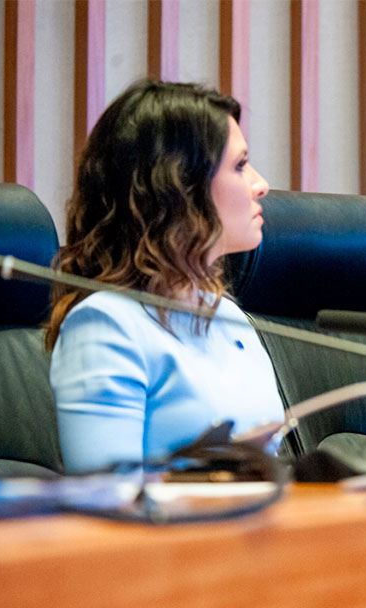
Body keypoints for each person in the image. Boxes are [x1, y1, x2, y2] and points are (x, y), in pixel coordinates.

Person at [46, 80, 284, 473]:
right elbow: (106, 498)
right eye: (240, 166)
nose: (261, 185)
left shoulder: (229, 316)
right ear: (179, 189)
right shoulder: (105, 323)